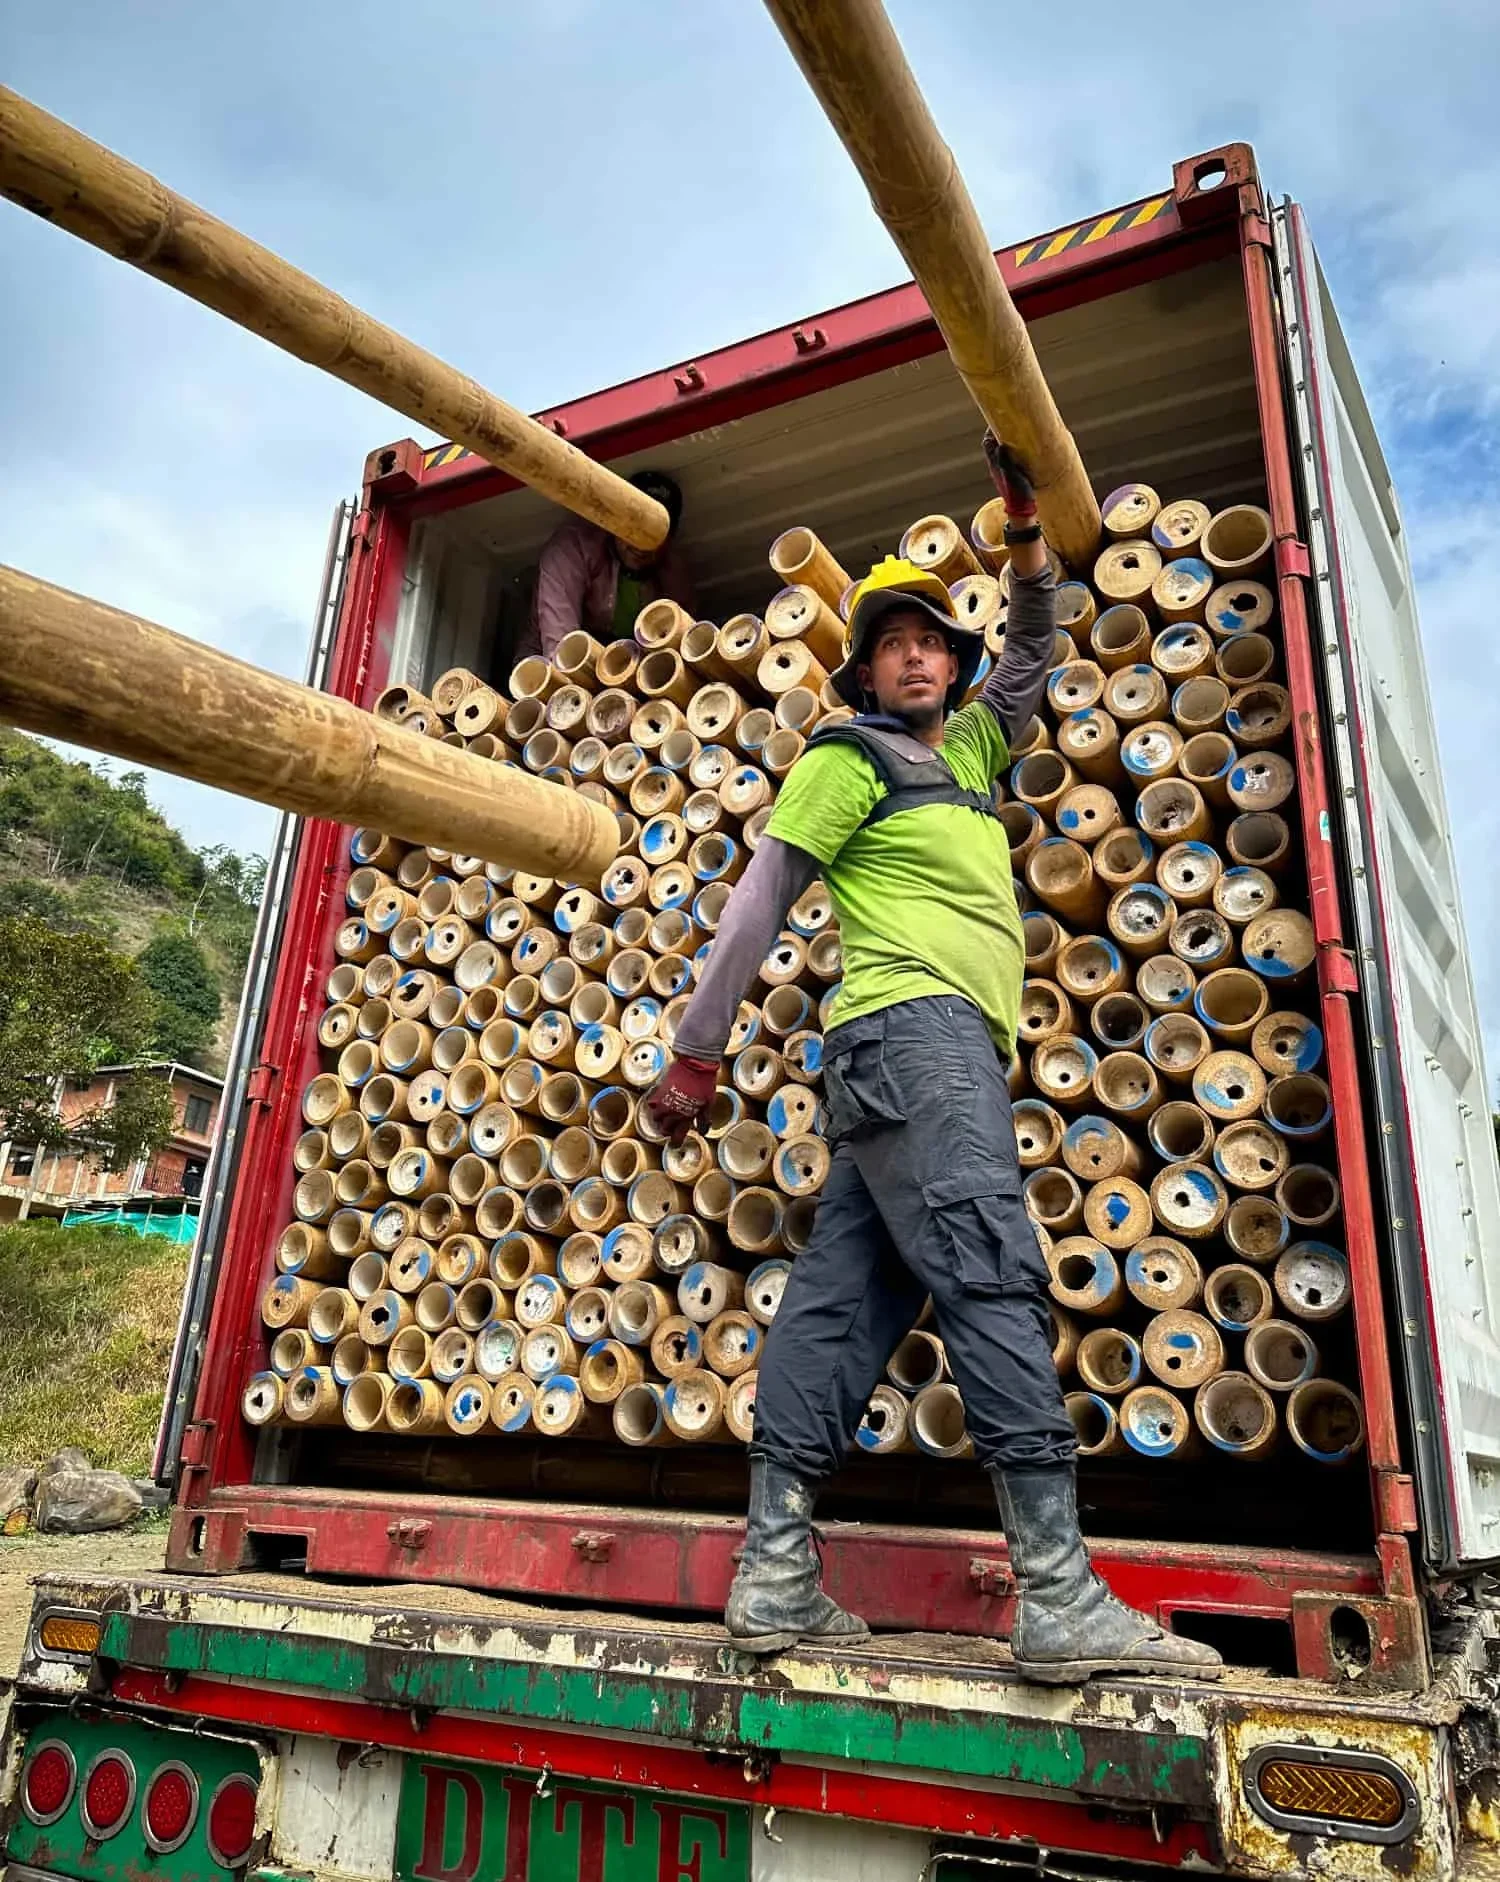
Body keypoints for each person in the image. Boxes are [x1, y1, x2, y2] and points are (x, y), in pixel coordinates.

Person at [644, 435, 1224, 1685]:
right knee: (990, 1271)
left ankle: (777, 1574)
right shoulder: (844, 760)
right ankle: (1059, 1596)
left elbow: (1033, 653)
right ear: (862, 666)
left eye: (933, 641)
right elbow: (761, 901)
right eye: (895, 640)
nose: (921, 654)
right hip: (917, 1034)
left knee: (852, 1294)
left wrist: (1022, 537)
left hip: (900, 1060)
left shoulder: (961, 756)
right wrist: (696, 1055)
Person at [531, 468, 695, 661]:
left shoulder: (672, 569)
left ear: (668, 539)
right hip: (548, 667)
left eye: (653, 536)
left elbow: (685, 640)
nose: (640, 544)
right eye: (632, 529)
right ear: (615, 523)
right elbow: (560, 650)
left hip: (629, 669)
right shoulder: (574, 548)